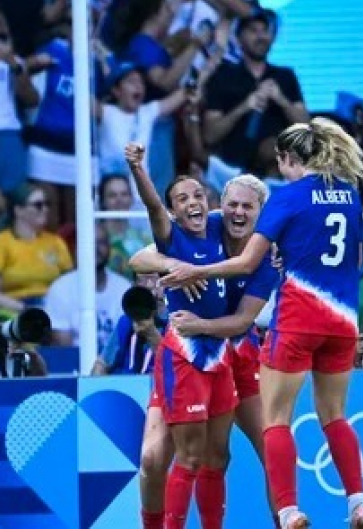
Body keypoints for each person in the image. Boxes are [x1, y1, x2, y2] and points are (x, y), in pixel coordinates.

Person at [160, 117, 363, 529]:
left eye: (280, 162)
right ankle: (358, 503)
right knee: (335, 415)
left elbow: (246, 262)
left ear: (288, 158)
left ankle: (289, 511)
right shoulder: (349, 194)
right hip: (344, 319)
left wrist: (196, 272)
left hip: (299, 318)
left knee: (276, 420)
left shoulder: (286, 197)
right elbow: (358, 258)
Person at [130, 174, 280, 527]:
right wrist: (175, 266)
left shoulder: (267, 257)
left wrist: (200, 321)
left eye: (248, 207)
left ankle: (284, 519)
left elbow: (242, 321)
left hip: (235, 351)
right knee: (153, 459)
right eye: (232, 205)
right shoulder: (205, 223)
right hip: (189, 351)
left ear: (261, 212)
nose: (238, 212)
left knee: (268, 450)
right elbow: (139, 259)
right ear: (220, 206)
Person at [124, 143, 235, 529]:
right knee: (186, 458)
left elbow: (253, 211)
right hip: (186, 354)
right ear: (173, 211)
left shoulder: (221, 227)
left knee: (217, 457)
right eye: (183, 199)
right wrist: (137, 167)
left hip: (221, 352)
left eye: (198, 195)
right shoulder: (172, 237)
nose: (193, 203)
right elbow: (152, 207)